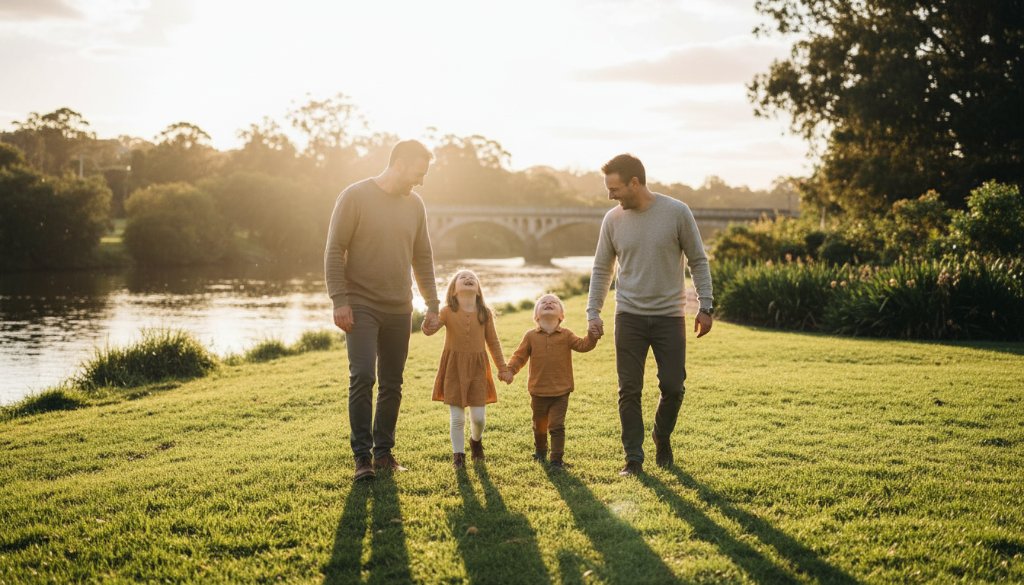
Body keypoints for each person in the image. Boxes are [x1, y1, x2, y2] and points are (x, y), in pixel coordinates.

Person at [586, 153, 714, 477]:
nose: (610, 195)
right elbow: (602, 269)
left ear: (635, 182)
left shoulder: (676, 212)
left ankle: (661, 434)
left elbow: (698, 260)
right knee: (629, 389)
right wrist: (593, 312)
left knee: (673, 387)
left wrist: (705, 305)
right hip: (628, 315)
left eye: (615, 188)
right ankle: (633, 459)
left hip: (669, 316)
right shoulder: (612, 220)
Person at [324, 139, 441, 482]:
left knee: (392, 382)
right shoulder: (355, 196)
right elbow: (334, 250)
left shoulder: (415, 205)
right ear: (400, 164)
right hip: (360, 303)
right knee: (362, 375)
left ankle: (384, 453)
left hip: (399, 306)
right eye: (418, 173)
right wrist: (339, 299)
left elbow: (423, 257)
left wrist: (432, 304)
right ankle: (361, 458)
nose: (420, 181)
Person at [422, 269, 511, 469]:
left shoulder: (484, 313)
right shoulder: (447, 311)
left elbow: (493, 342)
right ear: (454, 290)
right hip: (454, 367)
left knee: (478, 418)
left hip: (478, 368)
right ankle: (458, 456)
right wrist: (428, 324)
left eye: (473, 278)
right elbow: (431, 329)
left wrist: (503, 368)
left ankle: (476, 441)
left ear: (479, 290)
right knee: (457, 418)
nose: (468, 278)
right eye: (463, 277)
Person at [506, 293, 598, 468]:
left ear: (561, 316)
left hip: (560, 391)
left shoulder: (566, 335)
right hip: (538, 391)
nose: (548, 302)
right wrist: (510, 370)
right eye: (543, 302)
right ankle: (540, 452)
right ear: (536, 316)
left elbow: (583, 345)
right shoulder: (531, 336)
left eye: (553, 302)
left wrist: (592, 336)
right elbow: (519, 357)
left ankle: (556, 460)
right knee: (539, 426)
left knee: (556, 426)